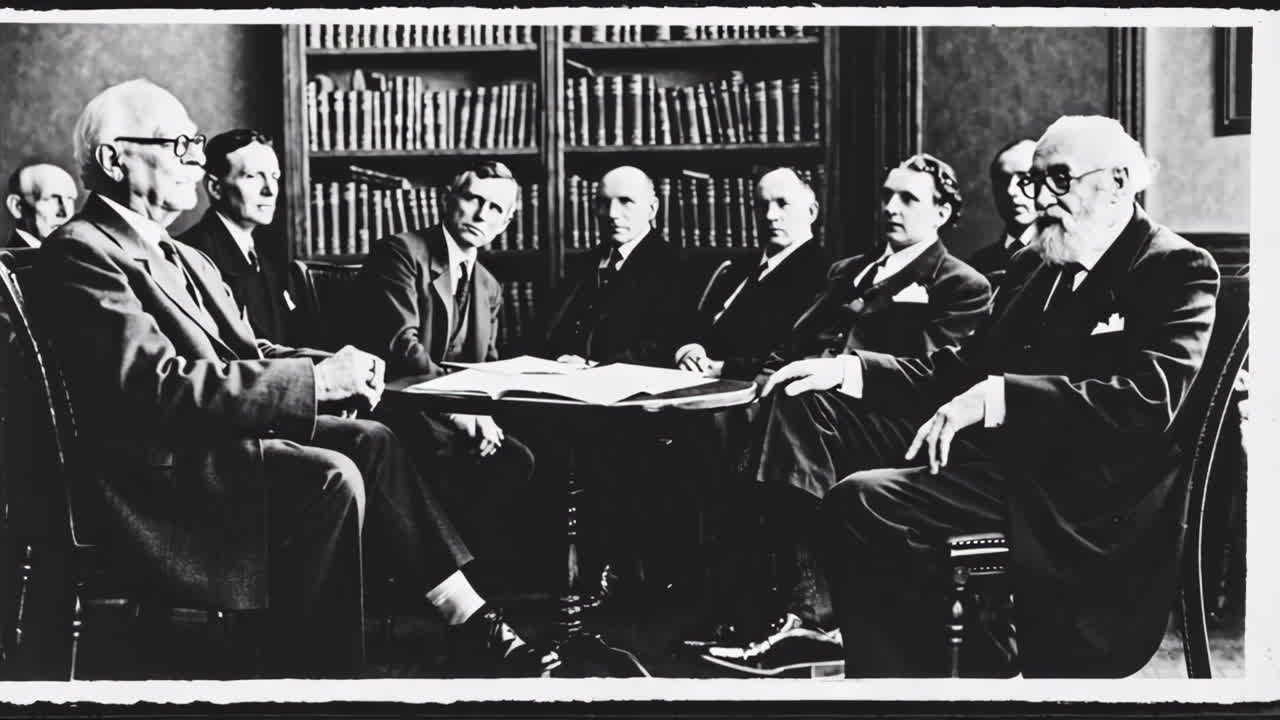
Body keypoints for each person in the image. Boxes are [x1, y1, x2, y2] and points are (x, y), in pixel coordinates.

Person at [40, 78, 559, 678]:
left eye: (195, 141)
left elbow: (246, 349)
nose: (195, 158)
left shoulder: (183, 255)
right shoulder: (82, 250)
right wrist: (316, 384)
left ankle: (466, 615)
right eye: (176, 142)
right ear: (112, 159)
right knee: (329, 476)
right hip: (159, 474)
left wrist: (331, 365)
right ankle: (315, 679)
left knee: (373, 439)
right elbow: (159, 386)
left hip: (212, 445)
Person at [765, 115, 1217, 677]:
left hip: (1087, 500)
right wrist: (850, 371)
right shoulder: (1037, 263)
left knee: (862, 503)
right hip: (1005, 468)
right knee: (815, 408)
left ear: (1119, 182)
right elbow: (963, 368)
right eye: (1034, 181)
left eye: (1059, 180)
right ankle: (918, 669)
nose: (1041, 200)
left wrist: (1001, 398)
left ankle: (935, 673)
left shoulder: (1174, 266)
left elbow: (1145, 401)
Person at [697, 153, 992, 675]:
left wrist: (836, 372)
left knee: (794, 408)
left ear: (942, 213)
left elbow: (935, 378)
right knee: (743, 413)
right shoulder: (848, 271)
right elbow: (791, 345)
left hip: (896, 428)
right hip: (815, 419)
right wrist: (768, 378)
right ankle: (759, 612)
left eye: (908, 198)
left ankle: (811, 617)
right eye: (886, 196)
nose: (891, 208)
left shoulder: (960, 285)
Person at [348, 160, 538, 578]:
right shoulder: (400, 252)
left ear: (505, 223)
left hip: (454, 413)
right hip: (395, 405)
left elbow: (486, 363)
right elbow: (401, 347)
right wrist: (459, 412)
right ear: (446, 199)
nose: (481, 215)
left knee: (519, 457)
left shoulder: (488, 284)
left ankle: (472, 585)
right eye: (473, 199)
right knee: (477, 457)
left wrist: (483, 414)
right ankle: (440, 588)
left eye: (495, 209)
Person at [674, 166, 826, 382]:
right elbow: (695, 320)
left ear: (812, 212)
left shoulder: (824, 275)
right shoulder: (738, 266)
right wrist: (690, 350)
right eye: (762, 205)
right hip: (694, 381)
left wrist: (724, 369)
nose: (770, 215)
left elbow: (796, 352)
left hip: (752, 398)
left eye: (783, 204)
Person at [543, 164, 692, 367]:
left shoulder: (675, 265)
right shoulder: (585, 263)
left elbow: (666, 344)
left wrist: (594, 368)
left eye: (626, 201)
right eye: (603, 202)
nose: (612, 213)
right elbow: (549, 331)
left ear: (652, 208)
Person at [177, 129, 297, 343]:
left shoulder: (263, 258)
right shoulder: (192, 256)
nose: (270, 190)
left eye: (274, 176)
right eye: (252, 176)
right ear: (215, 188)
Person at [968, 138, 1037, 287]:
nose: (1011, 191)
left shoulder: (1062, 260)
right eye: (1004, 180)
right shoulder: (976, 266)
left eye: (1025, 180)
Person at [5, 161, 78, 248]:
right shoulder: (6, 260)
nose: (65, 214)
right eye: (50, 199)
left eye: (70, 198)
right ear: (17, 207)